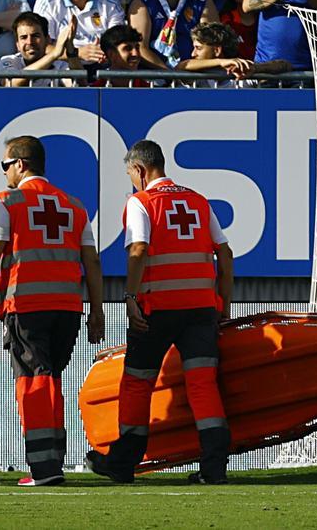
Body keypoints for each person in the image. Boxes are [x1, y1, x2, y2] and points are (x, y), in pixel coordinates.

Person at [84, 139, 234, 485]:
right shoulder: (198, 200)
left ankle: (123, 464)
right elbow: (224, 255)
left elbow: (138, 249)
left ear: (139, 170)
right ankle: (214, 469)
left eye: (129, 175)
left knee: (137, 382)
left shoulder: (141, 202)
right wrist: (222, 305)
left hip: (157, 310)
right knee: (202, 385)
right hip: (200, 310)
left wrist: (130, 296)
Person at [0, 135, 105, 487]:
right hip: (68, 308)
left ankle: (44, 469)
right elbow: (92, 261)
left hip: (26, 304)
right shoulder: (74, 205)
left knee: (34, 380)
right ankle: (54, 459)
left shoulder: (7, 201)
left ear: (21, 164)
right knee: (52, 379)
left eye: (5, 165)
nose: (5, 173)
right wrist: (97, 310)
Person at [0, 12, 80, 87]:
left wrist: (70, 48)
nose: (29, 42)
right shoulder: (9, 60)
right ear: (17, 45)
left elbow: (79, 86)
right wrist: (54, 54)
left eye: (35, 36)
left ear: (47, 40)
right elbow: (11, 83)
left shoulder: (59, 65)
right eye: (23, 37)